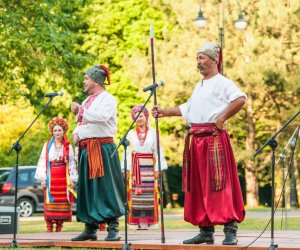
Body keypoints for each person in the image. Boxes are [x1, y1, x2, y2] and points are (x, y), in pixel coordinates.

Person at [151, 42, 246, 245]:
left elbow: (239, 99)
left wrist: (221, 118)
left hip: (213, 140)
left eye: (202, 58)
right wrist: (165, 111)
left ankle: (230, 229)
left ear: (213, 60)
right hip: (196, 141)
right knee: (199, 185)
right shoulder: (199, 86)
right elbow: (189, 108)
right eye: (197, 58)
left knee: (219, 184)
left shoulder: (223, 82)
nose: (198, 62)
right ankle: (205, 230)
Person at [70, 64, 126, 241]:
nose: (84, 81)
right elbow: (82, 124)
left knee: (105, 187)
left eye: (86, 78)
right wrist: (75, 133)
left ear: (96, 80)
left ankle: (113, 228)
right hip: (87, 149)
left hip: (102, 149)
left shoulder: (107, 99)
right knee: (87, 189)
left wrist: (80, 110)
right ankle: (90, 227)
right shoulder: (87, 101)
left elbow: (101, 118)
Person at [121, 104, 168, 229]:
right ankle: (137, 222)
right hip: (135, 168)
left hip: (149, 167)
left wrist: (158, 168)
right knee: (136, 195)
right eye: (136, 117)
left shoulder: (153, 133)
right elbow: (126, 152)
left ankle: (148, 221)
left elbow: (158, 151)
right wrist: (125, 168)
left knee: (149, 194)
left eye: (141, 116)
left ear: (146, 116)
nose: (139, 119)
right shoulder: (130, 133)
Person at [35, 117, 78, 233]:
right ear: (52, 132)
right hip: (51, 179)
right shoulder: (47, 145)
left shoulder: (68, 146)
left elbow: (72, 163)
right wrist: (43, 178)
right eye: (55, 130)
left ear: (64, 131)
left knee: (62, 204)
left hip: (63, 179)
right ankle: (49, 228)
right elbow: (42, 160)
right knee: (50, 203)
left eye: (59, 130)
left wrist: (73, 179)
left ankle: (59, 228)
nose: (57, 133)